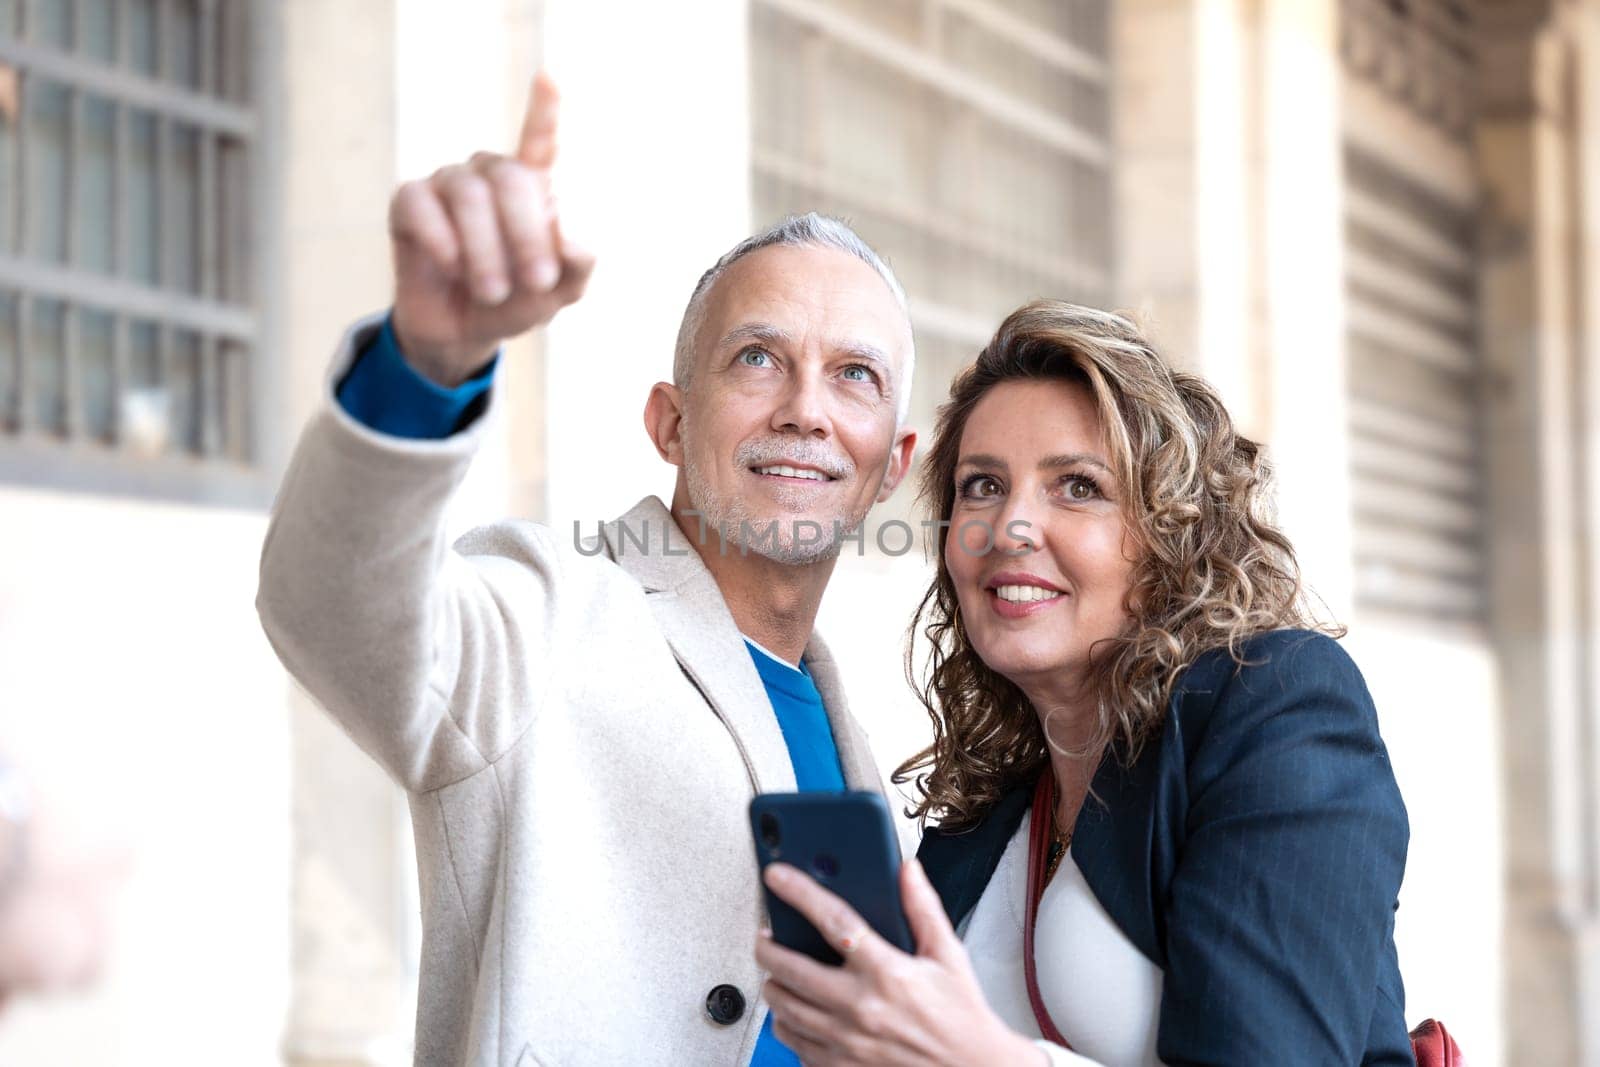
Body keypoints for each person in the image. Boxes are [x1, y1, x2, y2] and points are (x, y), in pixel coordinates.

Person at [256, 73, 918, 1065]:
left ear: (889, 468)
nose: (805, 410)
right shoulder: (546, 616)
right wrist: (428, 361)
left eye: (853, 375)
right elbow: (333, 604)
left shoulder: (862, 733)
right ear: (669, 420)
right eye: (756, 357)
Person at [756, 301, 1412, 1065]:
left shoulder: (1280, 703)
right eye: (981, 486)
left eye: (1077, 486)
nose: (1010, 527)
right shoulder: (989, 812)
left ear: (1172, 532)